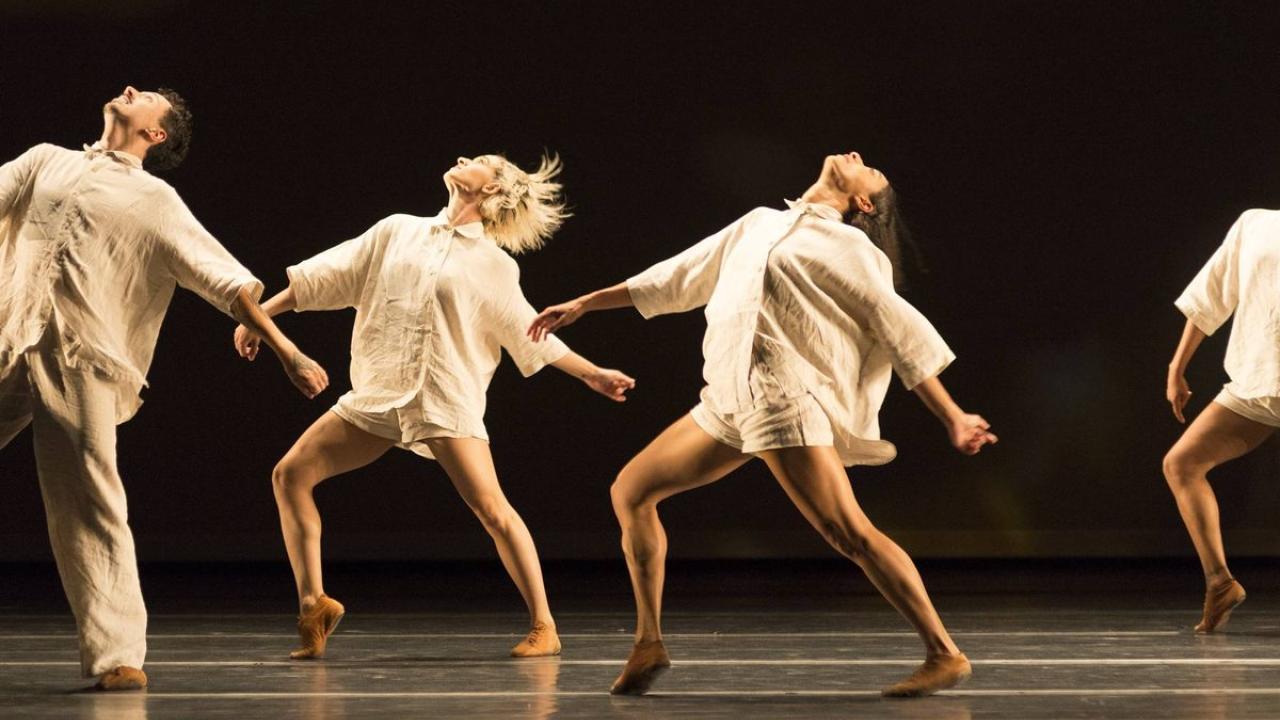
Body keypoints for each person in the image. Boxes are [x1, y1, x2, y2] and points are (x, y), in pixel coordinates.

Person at [528, 151, 997, 697]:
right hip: (728, 397)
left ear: (863, 201)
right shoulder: (758, 223)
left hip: (782, 398)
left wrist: (953, 415)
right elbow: (678, 277)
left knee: (847, 531)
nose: (857, 157)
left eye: (869, 169)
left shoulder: (852, 248)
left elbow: (899, 331)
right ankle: (648, 643)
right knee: (631, 491)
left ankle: (944, 653)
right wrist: (586, 303)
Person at [234, 153, 635, 661]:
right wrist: (260, 319)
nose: (464, 159)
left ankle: (544, 624)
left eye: (481, 161)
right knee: (289, 475)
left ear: (492, 190)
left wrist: (592, 373)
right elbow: (326, 279)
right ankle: (314, 604)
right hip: (381, 391)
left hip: (443, 396)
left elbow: (529, 334)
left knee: (492, 510)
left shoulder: (494, 264)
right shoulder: (396, 231)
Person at [0, 86, 329, 691]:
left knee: (90, 500)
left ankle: (117, 655)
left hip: (81, 357)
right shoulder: (45, 159)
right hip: (9, 334)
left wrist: (288, 350)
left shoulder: (155, 199)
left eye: (144, 97)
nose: (127, 90)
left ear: (157, 134)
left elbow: (226, 281)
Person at [1163, 208, 1280, 633]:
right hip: (1260, 377)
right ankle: (1220, 582)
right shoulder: (1256, 224)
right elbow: (1211, 296)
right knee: (1183, 464)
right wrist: (1178, 365)